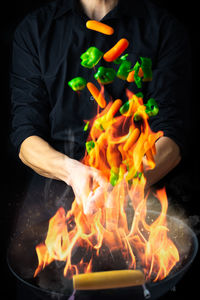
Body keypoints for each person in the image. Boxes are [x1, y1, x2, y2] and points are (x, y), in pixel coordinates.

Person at [9, 0, 191, 298]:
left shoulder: (163, 28)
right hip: (52, 207)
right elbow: (25, 137)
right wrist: (71, 171)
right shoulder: (35, 29)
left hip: (141, 209)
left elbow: (173, 136)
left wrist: (124, 184)